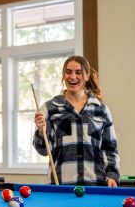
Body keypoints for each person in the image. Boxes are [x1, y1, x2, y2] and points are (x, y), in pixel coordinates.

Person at [33, 55, 120, 186]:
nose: (72, 77)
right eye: (68, 72)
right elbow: (43, 151)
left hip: (96, 185)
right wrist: (41, 132)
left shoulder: (101, 109)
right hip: (61, 186)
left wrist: (112, 175)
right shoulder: (48, 108)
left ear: (86, 75)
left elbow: (110, 149)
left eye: (78, 72)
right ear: (63, 75)